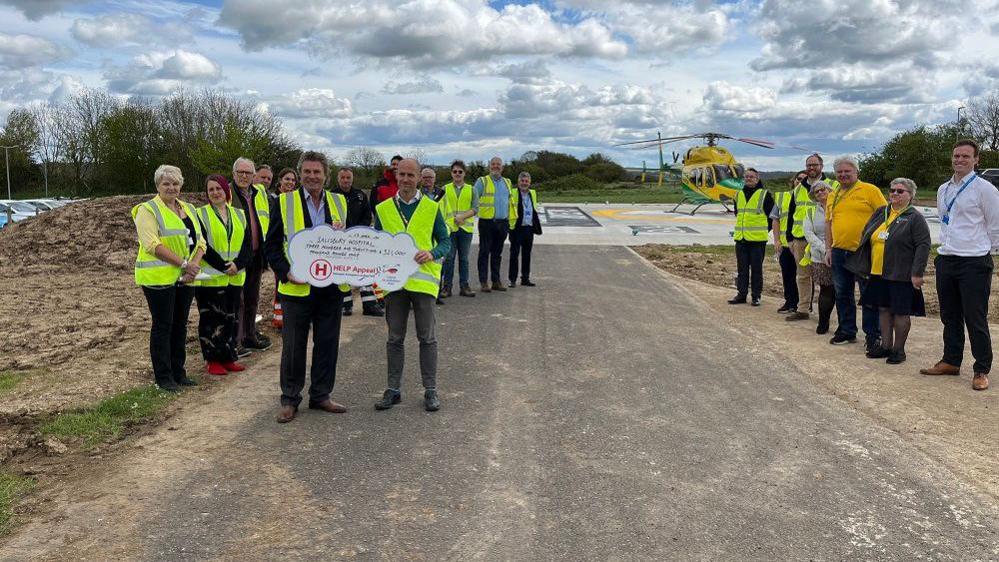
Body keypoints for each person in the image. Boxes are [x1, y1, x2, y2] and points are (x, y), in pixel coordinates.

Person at [264, 151, 351, 423]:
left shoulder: (339, 201)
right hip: (296, 288)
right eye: (308, 172)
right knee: (293, 346)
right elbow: (272, 245)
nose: (312, 176)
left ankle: (321, 395)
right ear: (300, 174)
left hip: (331, 287)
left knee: (327, 343)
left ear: (326, 175)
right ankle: (290, 399)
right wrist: (285, 273)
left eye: (317, 172)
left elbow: (349, 243)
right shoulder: (284, 202)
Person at [373, 158, 451, 412]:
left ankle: (430, 390)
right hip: (394, 284)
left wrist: (431, 252)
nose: (406, 179)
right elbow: (375, 245)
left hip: (423, 283)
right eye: (402, 174)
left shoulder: (431, 207)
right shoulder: (383, 209)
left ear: (419, 178)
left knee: (427, 338)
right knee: (394, 338)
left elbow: (445, 242)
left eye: (411, 175)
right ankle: (393, 390)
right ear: (396, 176)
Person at [920, 140, 999, 391]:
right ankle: (951, 361)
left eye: (966, 156)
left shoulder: (985, 189)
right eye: (956, 156)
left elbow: (995, 225)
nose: (960, 160)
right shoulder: (944, 188)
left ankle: (981, 368)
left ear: (976, 160)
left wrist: (989, 252)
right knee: (950, 315)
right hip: (946, 258)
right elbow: (946, 222)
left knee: (975, 317)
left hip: (974, 261)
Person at [131, 165, 206, 392]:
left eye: (175, 183)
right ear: (158, 186)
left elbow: (201, 240)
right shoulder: (148, 210)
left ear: (181, 186)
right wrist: (184, 264)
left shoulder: (189, 209)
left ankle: (178, 372)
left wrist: (193, 266)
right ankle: (164, 377)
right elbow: (152, 244)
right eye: (166, 183)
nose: (171, 187)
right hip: (159, 278)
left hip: (185, 277)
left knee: (180, 326)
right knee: (163, 326)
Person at [845, 178, 930, 364]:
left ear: (910, 195)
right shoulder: (881, 212)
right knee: (883, 310)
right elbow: (867, 233)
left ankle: (898, 350)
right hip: (878, 272)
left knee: (900, 312)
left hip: (901, 274)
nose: (895, 194)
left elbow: (923, 246)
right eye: (892, 190)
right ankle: (885, 346)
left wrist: (917, 273)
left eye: (900, 191)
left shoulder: (914, 217)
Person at [824, 156, 886, 349]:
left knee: (868, 295)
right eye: (839, 172)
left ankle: (873, 335)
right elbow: (829, 223)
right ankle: (847, 330)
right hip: (839, 251)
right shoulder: (833, 195)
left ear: (856, 172)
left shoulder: (870, 190)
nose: (843, 175)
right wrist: (828, 248)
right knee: (842, 293)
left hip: (864, 252)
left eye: (847, 171)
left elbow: (885, 216)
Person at [194, 174, 252, 375]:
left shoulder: (239, 214)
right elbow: (202, 245)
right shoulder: (200, 214)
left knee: (231, 318)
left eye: (218, 188)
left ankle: (228, 356)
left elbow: (247, 244)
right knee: (211, 320)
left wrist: (238, 264)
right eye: (211, 190)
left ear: (225, 190)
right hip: (211, 277)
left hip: (235, 276)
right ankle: (212, 359)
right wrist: (223, 265)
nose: (215, 192)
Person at [230, 157, 272, 355]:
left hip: (257, 254)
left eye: (248, 173)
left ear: (254, 176)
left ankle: (249, 336)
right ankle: (236, 341)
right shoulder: (227, 193)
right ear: (234, 174)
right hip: (237, 256)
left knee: (252, 298)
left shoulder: (260, 193)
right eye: (240, 172)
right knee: (237, 301)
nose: (244, 176)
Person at [332, 167, 382, 317]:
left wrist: (357, 232)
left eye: (348, 177)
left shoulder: (360, 195)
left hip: (358, 240)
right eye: (343, 178)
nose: (346, 180)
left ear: (352, 179)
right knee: (342, 272)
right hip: (339, 241)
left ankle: (369, 305)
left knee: (363, 271)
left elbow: (367, 216)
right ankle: (345, 305)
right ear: (338, 179)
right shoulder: (331, 196)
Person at [773, 170, 815, 320]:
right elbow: (775, 219)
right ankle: (790, 302)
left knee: (805, 275)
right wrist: (777, 240)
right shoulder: (783, 196)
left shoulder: (813, 194)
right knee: (788, 275)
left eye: (804, 179)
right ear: (794, 180)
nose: (801, 181)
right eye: (799, 178)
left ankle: (805, 304)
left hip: (806, 241)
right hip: (787, 242)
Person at [728, 168, 774, 306]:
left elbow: (771, 217)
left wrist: (763, 231)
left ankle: (756, 296)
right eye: (746, 176)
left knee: (756, 270)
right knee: (742, 269)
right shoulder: (739, 194)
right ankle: (741, 294)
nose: (748, 179)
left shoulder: (764, 195)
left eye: (752, 177)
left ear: (757, 178)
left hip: (757, 240)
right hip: (741, 239)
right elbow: (738, 213)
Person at [474, 156, 518, 292]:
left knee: (497, 253)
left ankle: (496, 281)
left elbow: (510, 202)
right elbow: (474, 200)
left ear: (502, 167)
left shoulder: (507, 182)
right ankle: (483, 282)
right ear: (489, 166)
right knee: (484, 252)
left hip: (502, 223)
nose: (495, 166)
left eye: (498, 164)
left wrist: (510, 221)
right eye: (493, 164)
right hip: (487, 222)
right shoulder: (482, 181)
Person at [441, 160, 478, 298]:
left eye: (460, 172)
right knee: (449, 258)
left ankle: (464, 286)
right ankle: (447, 287)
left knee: (464, 259)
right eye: (455, 171)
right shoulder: (445, 189)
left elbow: (475, 208)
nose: (457, 174)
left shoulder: (471, 189)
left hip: (465, 229)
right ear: (451, 173)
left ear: (464, 173)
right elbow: (440, 207)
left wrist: (462, 217)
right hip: (449, 229)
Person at [802, 181, 836, 334]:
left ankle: (845, 327)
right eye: (817, 192)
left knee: (841, 291)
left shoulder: (838, 207)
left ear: (830, 191)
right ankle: (823, 323)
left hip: (842, 252)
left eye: (824, 189)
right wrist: (825, 249)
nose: (821, 193)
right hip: (820, 256)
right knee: (826, 289)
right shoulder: (810, 212)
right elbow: (809, 234)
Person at [270, 167, 299, 330]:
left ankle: (285, 319)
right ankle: (280, 320)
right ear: (280, 181)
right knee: (280, 284)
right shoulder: (275, 200)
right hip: (280, 251)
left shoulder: (296, 201)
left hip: (295, 252)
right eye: (287, 179)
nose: (290, 182)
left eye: (293, 180)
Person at [509, 171, 542, 287]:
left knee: (527, 254)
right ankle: (512, 279)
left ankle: (525, 278)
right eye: (522, 181)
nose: (524, 183)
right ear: (518, 182)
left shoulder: (532, 193)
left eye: (526, 181)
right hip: (516, 228)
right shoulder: (513, 193)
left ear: (530, 182)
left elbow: (533, 209)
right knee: (514, 255)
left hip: (528, 228)